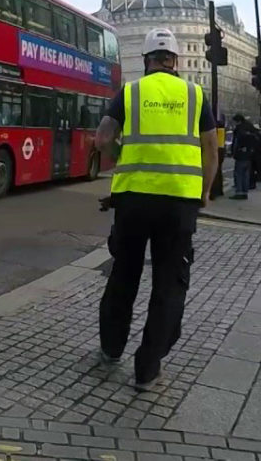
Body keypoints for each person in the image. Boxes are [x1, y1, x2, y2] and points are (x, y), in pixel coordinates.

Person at [95, 28, 219, 391]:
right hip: (179, 203)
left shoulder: (131, 92)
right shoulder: (196, 95)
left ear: (146, 60)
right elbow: (210, 150)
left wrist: (124, 158)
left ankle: (110, 350)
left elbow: (101, 139)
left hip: (133, 201)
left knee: (124, 277)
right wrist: (205, 192)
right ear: (176, 61)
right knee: (169, 284)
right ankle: (147, 369)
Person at [231, 113, 256, 199]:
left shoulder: (239, 129)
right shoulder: (251, 127)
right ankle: (245, 192)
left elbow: (236, 142)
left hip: (241, 154)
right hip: (250, 154)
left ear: (238, 121)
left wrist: (234, 152)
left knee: (238, 173)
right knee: (246, 174)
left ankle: (239, 192)